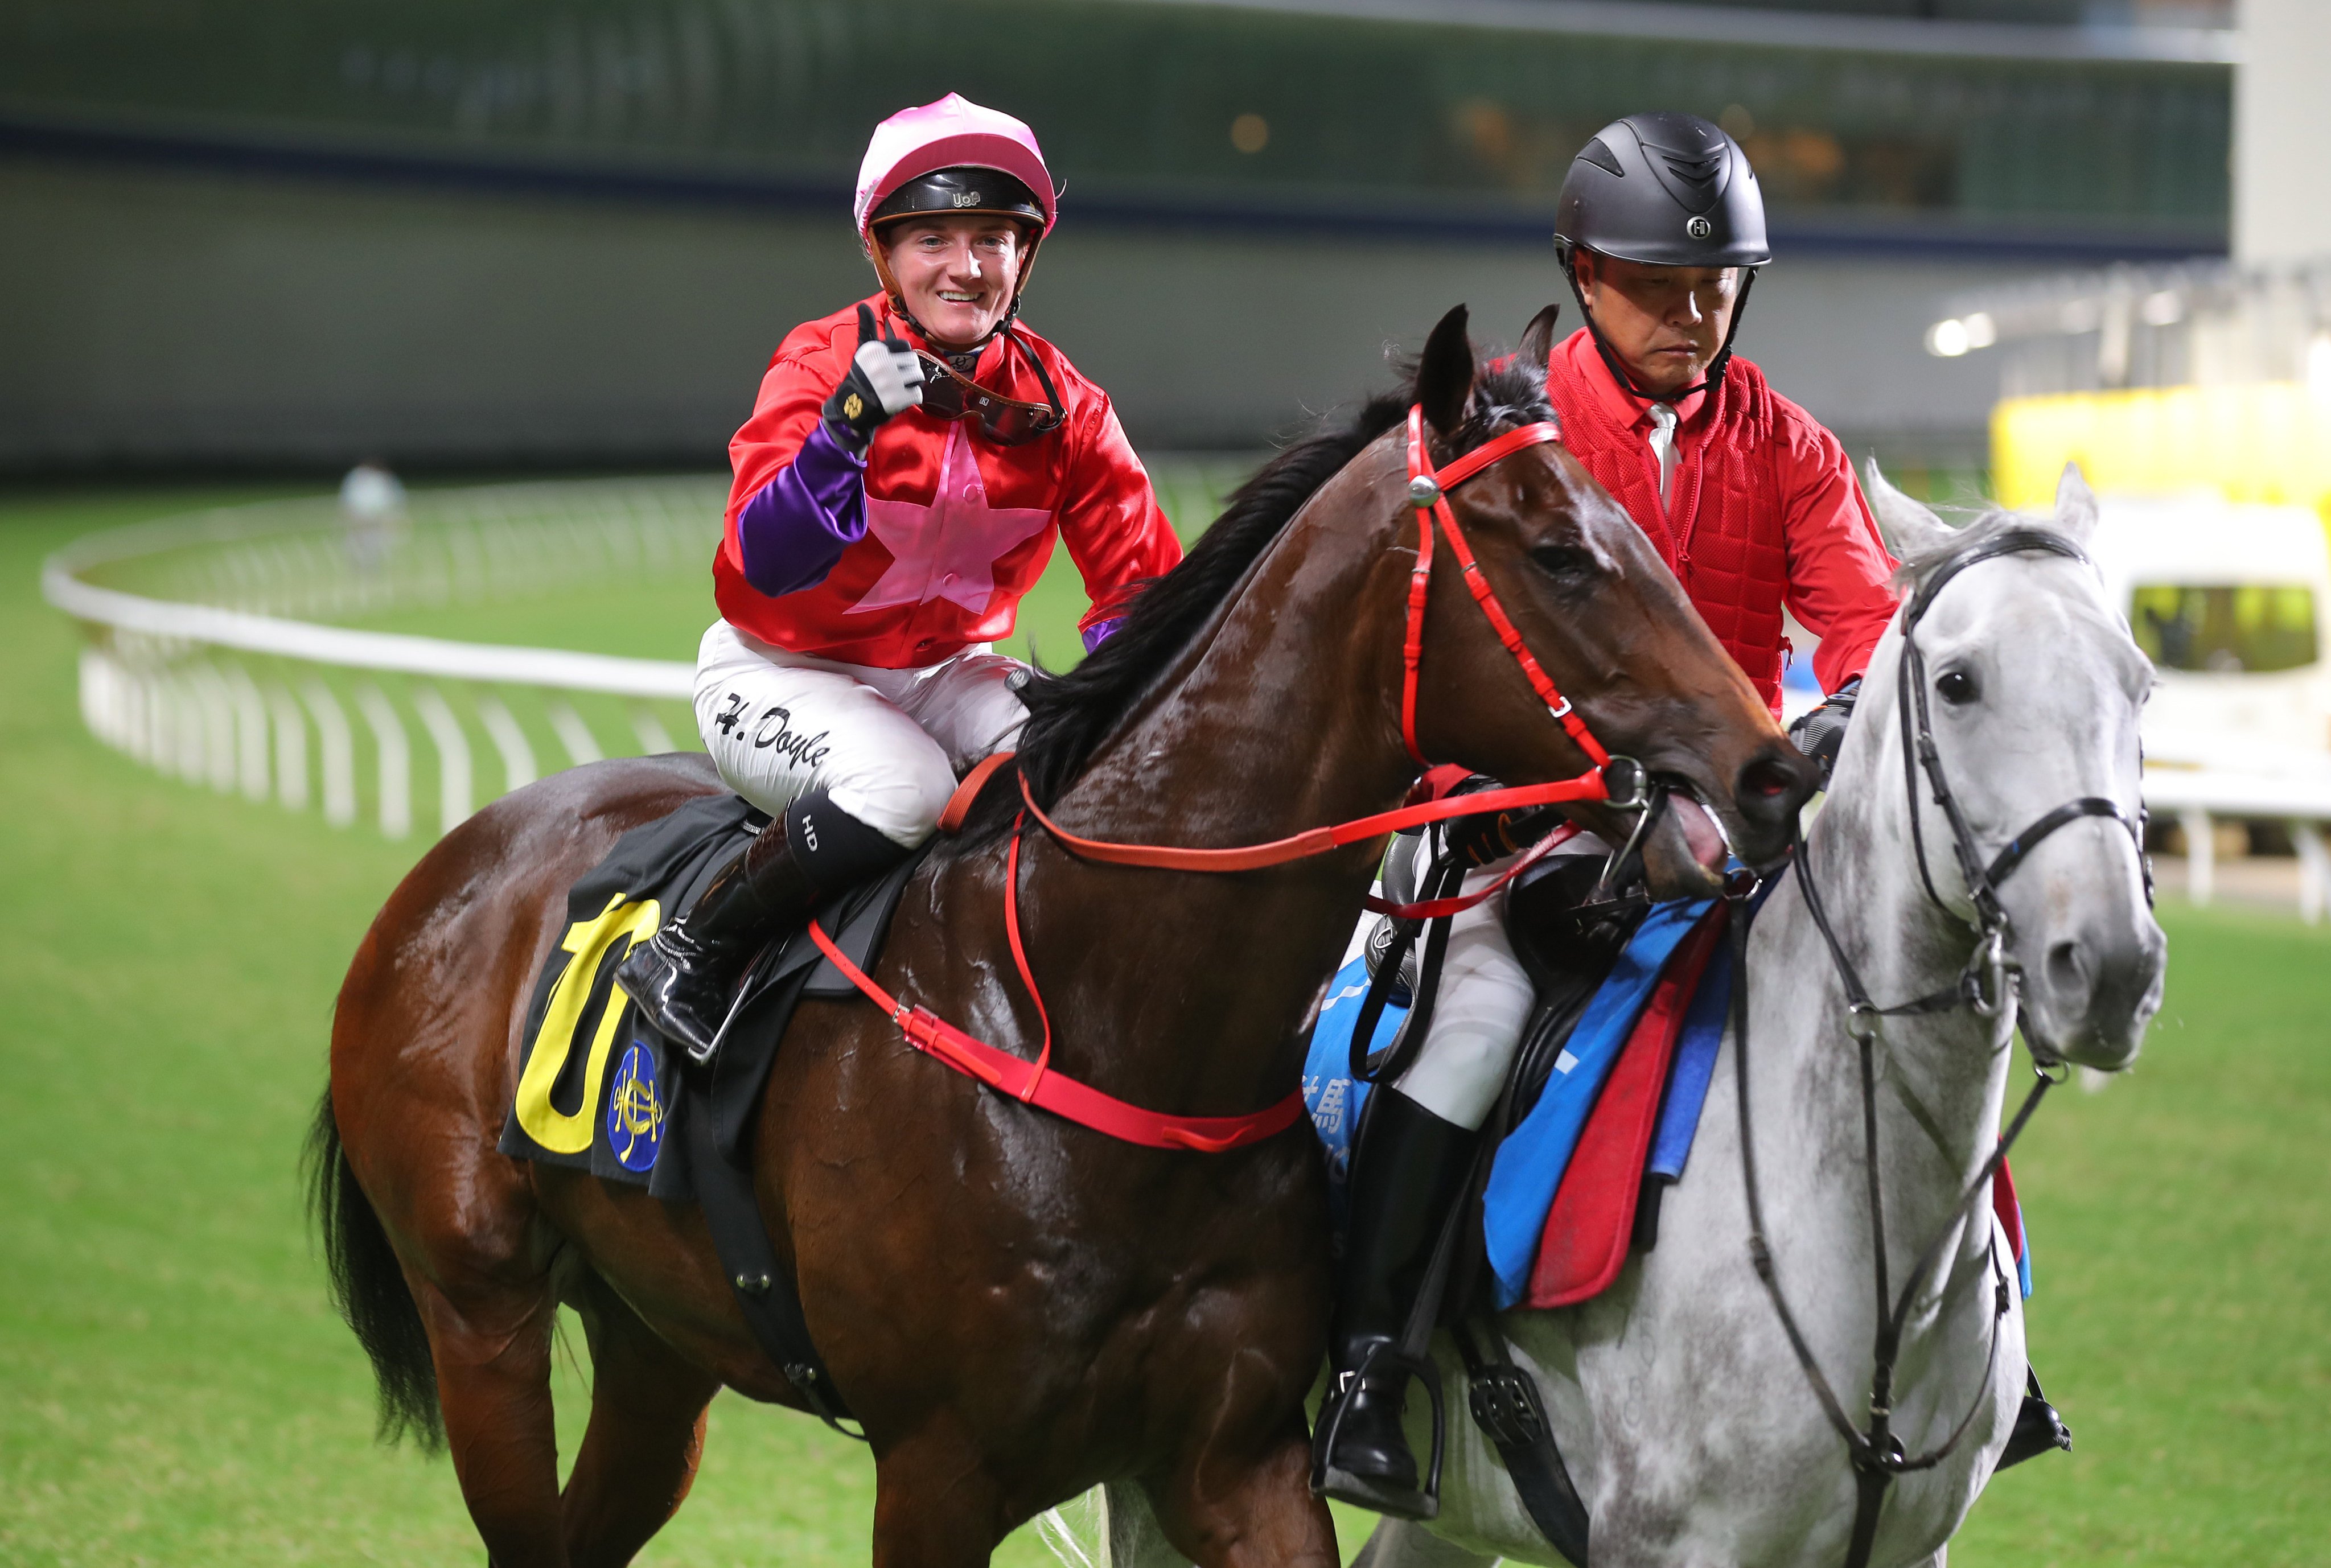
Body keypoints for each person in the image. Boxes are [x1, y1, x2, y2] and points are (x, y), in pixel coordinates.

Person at [1315, 112, 2064, 1517]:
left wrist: (1840, 708)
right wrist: (1558, 802)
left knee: (1904, 1028)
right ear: (1581, 277)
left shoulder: (1783, 442)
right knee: (1472, 1034)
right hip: (1531, 830)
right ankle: (1368, 1369)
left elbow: (1857, 624)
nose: (1691, 311)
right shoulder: (1519, 432)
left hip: (1738, 840)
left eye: (1714, 286)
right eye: (1656, 284)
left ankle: (1995, 1361)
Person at [616, 94, 1182, 1061]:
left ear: (1025, 255)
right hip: (778, 670)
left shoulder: (1070, 408)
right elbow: (763, 561)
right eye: (933, 238)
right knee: (906, 788)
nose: (966, 267)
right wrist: (840, 433)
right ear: (882, 254)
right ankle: (694, 946)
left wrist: (1120, 706)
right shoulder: (819, 359)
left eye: (994, 238)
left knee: (1086, 769)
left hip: (942, 671)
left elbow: (1139, 593)